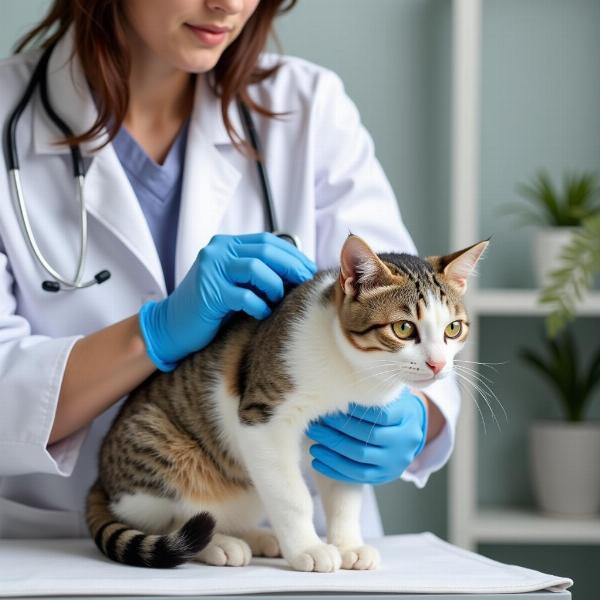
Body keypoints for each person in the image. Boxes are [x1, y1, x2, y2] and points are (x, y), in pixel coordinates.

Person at [0, 0, 460, 539]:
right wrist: (152, 334)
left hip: (296, 557)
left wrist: (415, 418)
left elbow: (414, 306)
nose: (231, 4)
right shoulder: (9, 112)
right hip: (60, 548)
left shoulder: (307, 106)